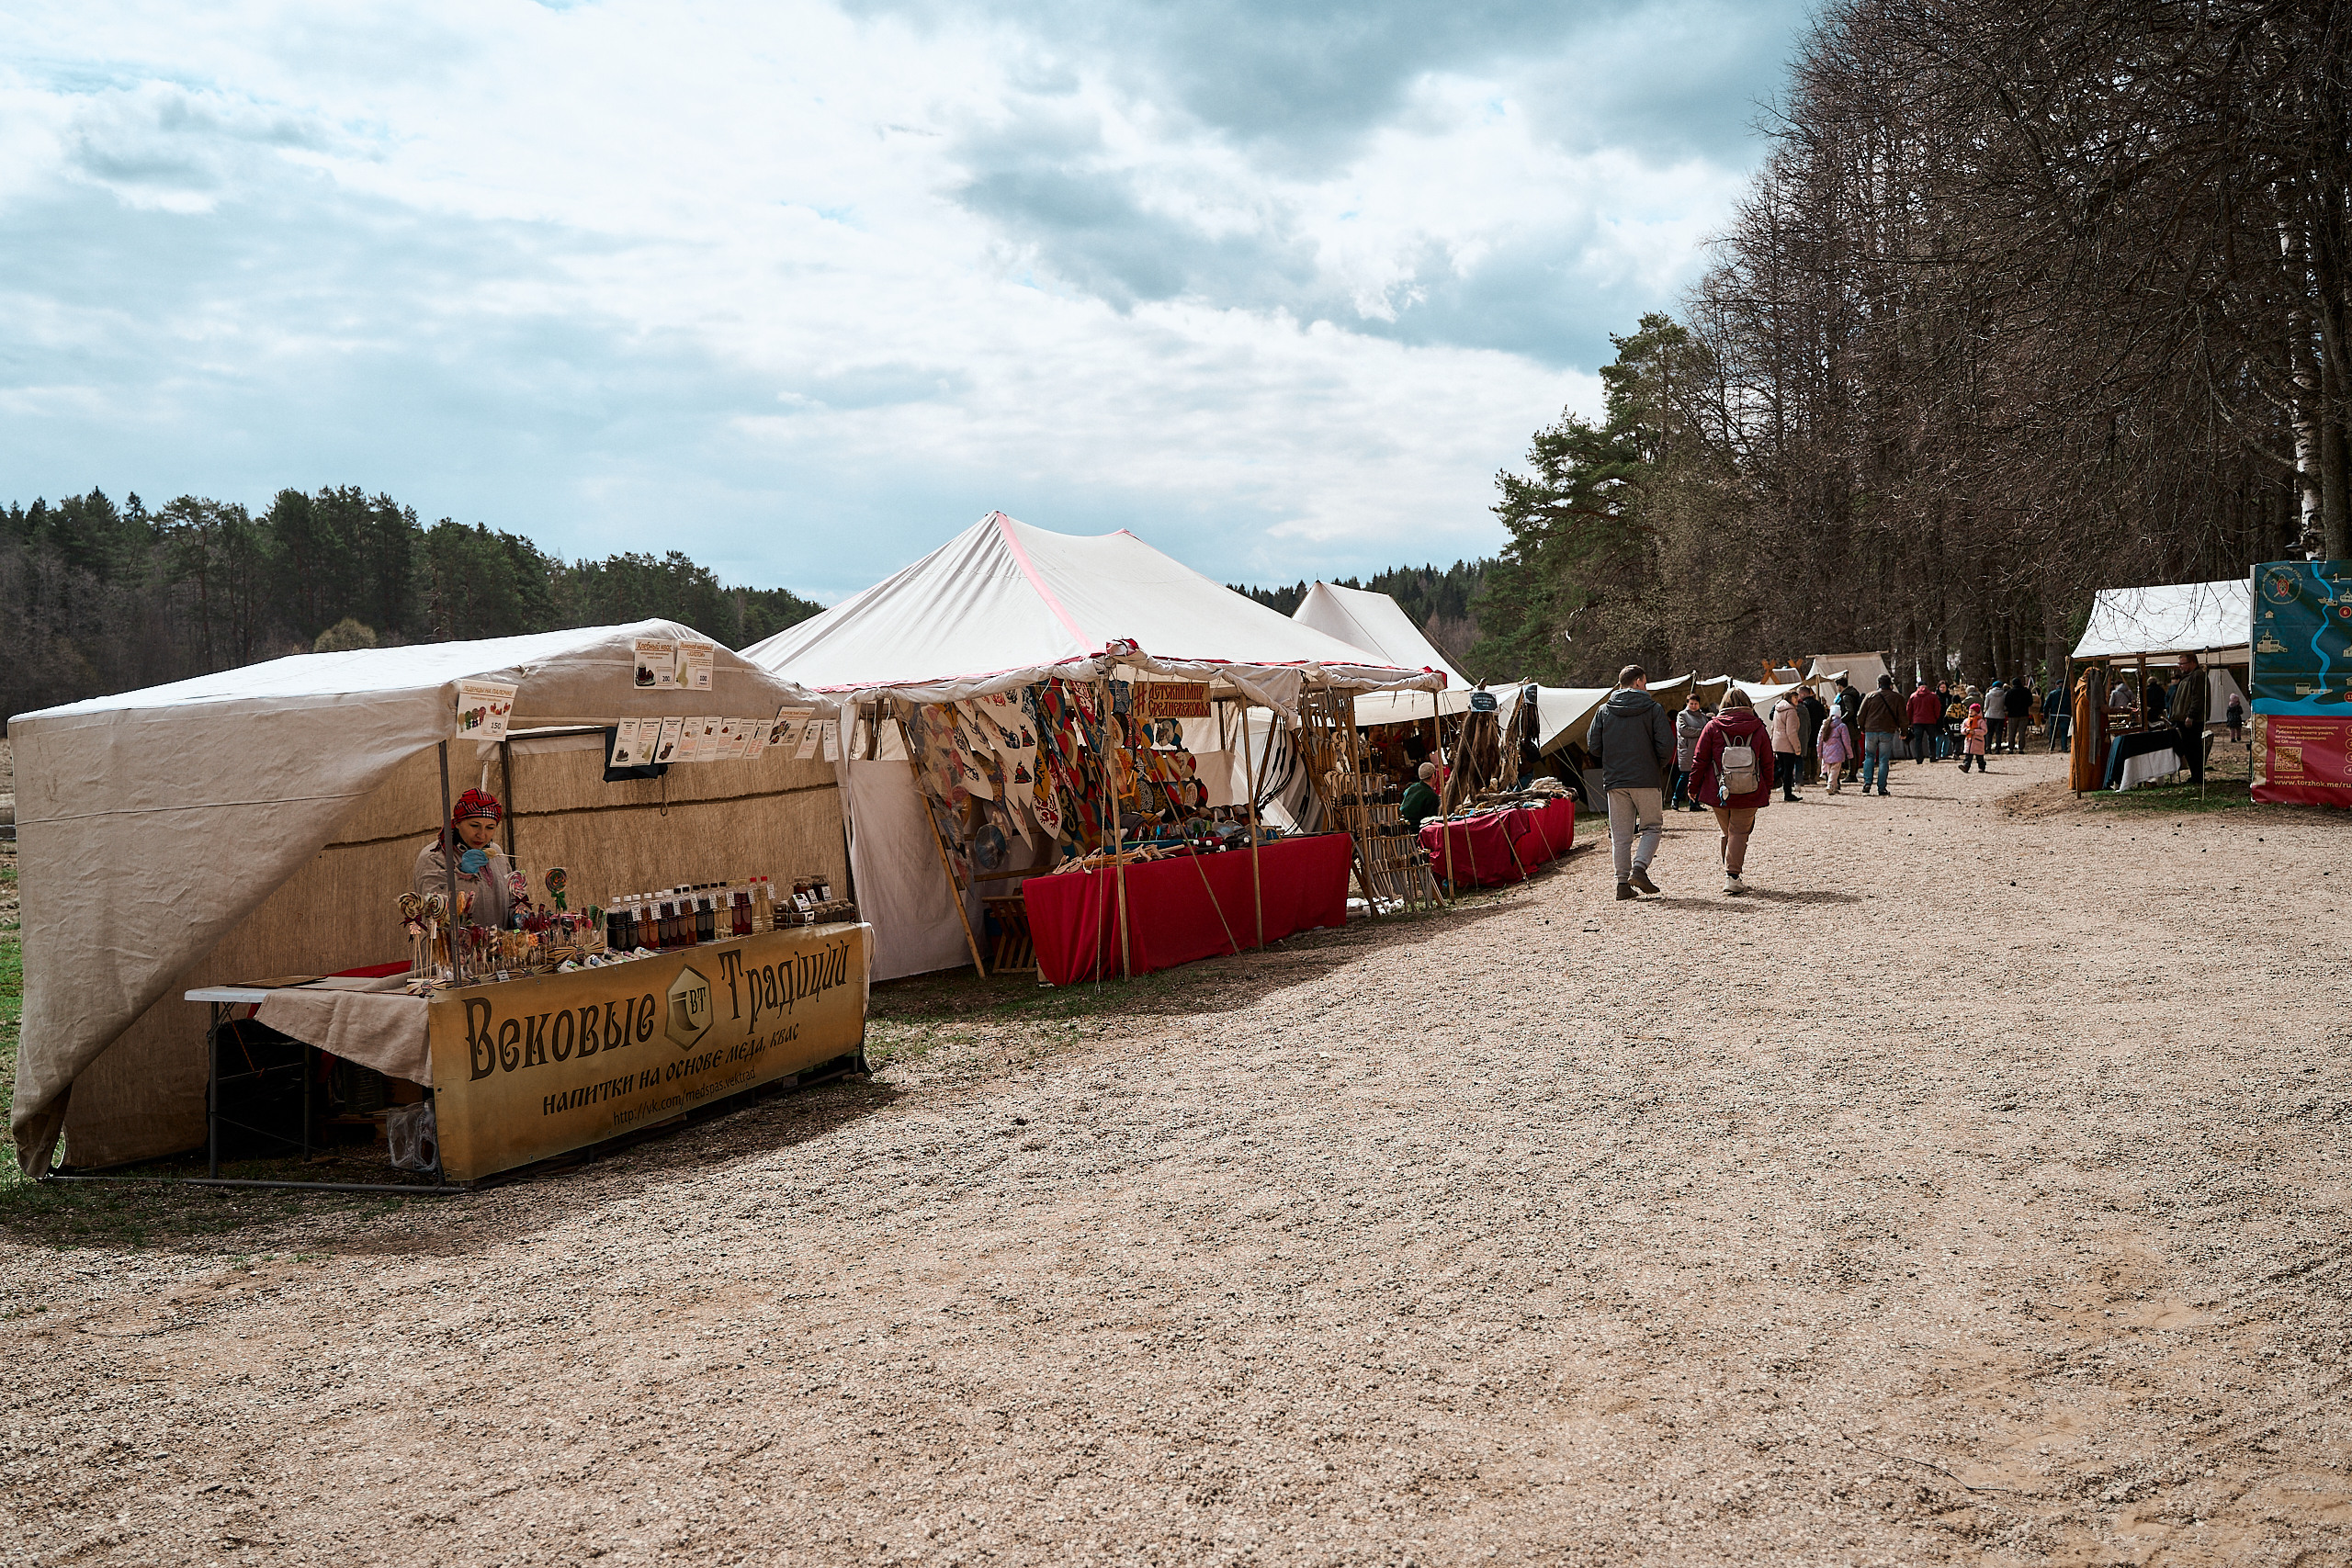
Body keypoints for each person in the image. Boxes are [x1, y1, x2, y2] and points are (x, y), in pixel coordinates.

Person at [1586, 664, 1675, 900]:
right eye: (1645, 682)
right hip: (1645, 777)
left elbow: (1593, 747)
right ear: (1637, 682)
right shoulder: (1653, 708)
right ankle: (1639, 869)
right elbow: (1666, 745)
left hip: (1615, 780)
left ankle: (1622, 886)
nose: (1646, 687)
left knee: (1621, 835)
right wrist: (1657, 764)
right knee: (1652, 827)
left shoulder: (1603, 710)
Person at [1691, 688, 1773, 895]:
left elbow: (1700, 759)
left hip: (1719, 789)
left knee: (1727, 831)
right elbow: (1767, 761)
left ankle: (1730, 873)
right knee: (1739, 831)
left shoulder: (1712, 726)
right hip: (1750, 789)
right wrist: (1768, 787)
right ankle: (1733, 876)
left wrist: (1693, 787)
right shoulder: (1759, 727)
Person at [415, 787, 512, 928]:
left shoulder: (496, 853)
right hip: (453, 947)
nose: (482, 835)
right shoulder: (433, 857)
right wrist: (463, 876)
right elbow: (437, 912)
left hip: (496, 945)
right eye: (474, 825)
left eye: (490, 828)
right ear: (457, 822)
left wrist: (518, 914)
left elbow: (510, 894)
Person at [1856, 674, 1905, 795]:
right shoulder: (1897, 697)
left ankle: (1867, 782)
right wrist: (1904, 731)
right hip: (1887, 730)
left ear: (1878, 684)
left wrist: (1862, 728)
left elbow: (1860, 715)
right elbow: (1903, 717)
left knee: (1869, 756)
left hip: (1870, 730)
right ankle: (1881, 787)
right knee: (1883, 759)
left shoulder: (1870, 696)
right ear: (1891, 685)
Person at [2165, 652, 2208, 784]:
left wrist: (2191, 716)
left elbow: (2198, 698)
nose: (2180, 666)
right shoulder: (2189, 676)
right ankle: (2195, 775)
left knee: (2194, 748)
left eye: (2182, 663)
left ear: (2192, 663)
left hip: (2192, 720)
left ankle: (2197, 776)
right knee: (2189, 748)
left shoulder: (2197, 675)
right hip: (2184, 719)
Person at [1671, 692, 1708, 812]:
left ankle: (1694, 803)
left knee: (1698, 777)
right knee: (1686, 776)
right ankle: (1675, 799)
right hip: (1687, 750)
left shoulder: (1703, 717)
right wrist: (1701, 732)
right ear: (1687, 703)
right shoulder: (1682, 715)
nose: (1693, 706)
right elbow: (1683, 730)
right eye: (1691, 703)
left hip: (1700, 750)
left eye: (1696, 703)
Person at [1768, 692, 1805, 801]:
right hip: (1787, 744)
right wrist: (1797, 747)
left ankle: (1767, 785)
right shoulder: (1791, 711)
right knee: (1788, 770)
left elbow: (1773, 727)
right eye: (1795, 697)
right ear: (1790, 698)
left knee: (1782, 768)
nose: (1797, 700)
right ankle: (1788, 794)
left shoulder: (1777, 709)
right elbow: (1791, 732)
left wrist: (1772, 741)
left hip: (1778, 742)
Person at [1816, 702, 1856, 795]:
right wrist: (1850, 753)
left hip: (1826, 752)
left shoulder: (1824, 725)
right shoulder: (1842, 726)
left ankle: (1833, 788)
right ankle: (1830, 785)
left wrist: (1820, 753)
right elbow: (1846, 741)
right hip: (1838, 752)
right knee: (1835, 770)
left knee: (1830, 769)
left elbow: (1819, 741)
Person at [1905, 679, 1941, 766]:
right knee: (1932, 739)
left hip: (1917, 721)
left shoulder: (1913, 696)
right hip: (1930, 720)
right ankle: (1932, 756)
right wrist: (1936, 718)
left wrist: (1910, 720)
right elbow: (1937, 708)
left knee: (1918, 740)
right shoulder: (1933, 696)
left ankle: (1919, 758)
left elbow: (1909, 709)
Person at [1800, 684, 1829, 781]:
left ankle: (1806, 775)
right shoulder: (1818, 704)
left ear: (1804, 693)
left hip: (1807, 732)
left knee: (1806, 756)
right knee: (1814, 756)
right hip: (1818, 732)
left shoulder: (1804, 705)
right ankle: (1814, 775)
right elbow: (1824, 717)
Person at [1401, 761, 1442, 829]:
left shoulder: (1411, 788)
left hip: (1404, 827)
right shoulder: (1432, 797)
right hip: (1418, 831)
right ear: (1433, 775)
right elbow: (1432, 822)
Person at [1958, 702, 1989, 772]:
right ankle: (1966, 767)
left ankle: (1981, 767)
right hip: (1969, 741)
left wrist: (1975, 732)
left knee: (1979, 757)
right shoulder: (1966, 721)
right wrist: (1966, 730)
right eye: (1969, 711)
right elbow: (1962, 730)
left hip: (1978, 742)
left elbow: (1984, 731)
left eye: (1972, 711)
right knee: (1968, 756)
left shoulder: (1981, 721)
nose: (1970, 712)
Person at [2008, 675, 2036, 751]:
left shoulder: (2010, 692)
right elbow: (2030, 702)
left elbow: (2006, 703)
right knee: (2022, 732)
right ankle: (2021, 748)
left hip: (2012, 714)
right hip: (2024, 714)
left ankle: (2011, 748)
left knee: (2011, 732)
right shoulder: (2026, 691)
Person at [2045, 678, 2071, 750]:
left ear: (2056, 685)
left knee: (2053, 731)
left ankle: (2051, 746)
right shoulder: (2069, 693)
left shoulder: (2052, 693)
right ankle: (2064, 747)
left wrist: (2046, 715)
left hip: (2054, 714)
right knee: (2064, 732)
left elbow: (2046, 705)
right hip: (2065, 715)